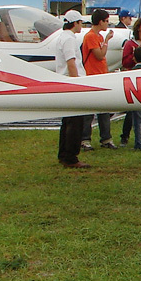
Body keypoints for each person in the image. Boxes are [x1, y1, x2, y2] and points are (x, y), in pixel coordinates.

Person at [54, 9, 89, 168]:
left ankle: (64, 154)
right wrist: (76, 85)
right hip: (72, 82)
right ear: (75, 23)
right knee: (75, 122)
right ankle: (71, 157)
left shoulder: (62, 37)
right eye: (80, 22)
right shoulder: (69, 40)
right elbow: (71, 62)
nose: (81, 25)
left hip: (64, 81)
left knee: (67, 121)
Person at [80, 8, 117, 150]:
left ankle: (106, 138)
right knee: (89, 112)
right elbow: (100, 55)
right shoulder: (90, 37)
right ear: (100, 21)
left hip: (102, 75)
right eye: (106, 21)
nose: (107, 24)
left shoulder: (99, 37)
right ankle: (85, 139)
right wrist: (107, 41)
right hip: (92, 76)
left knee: (104, 110)